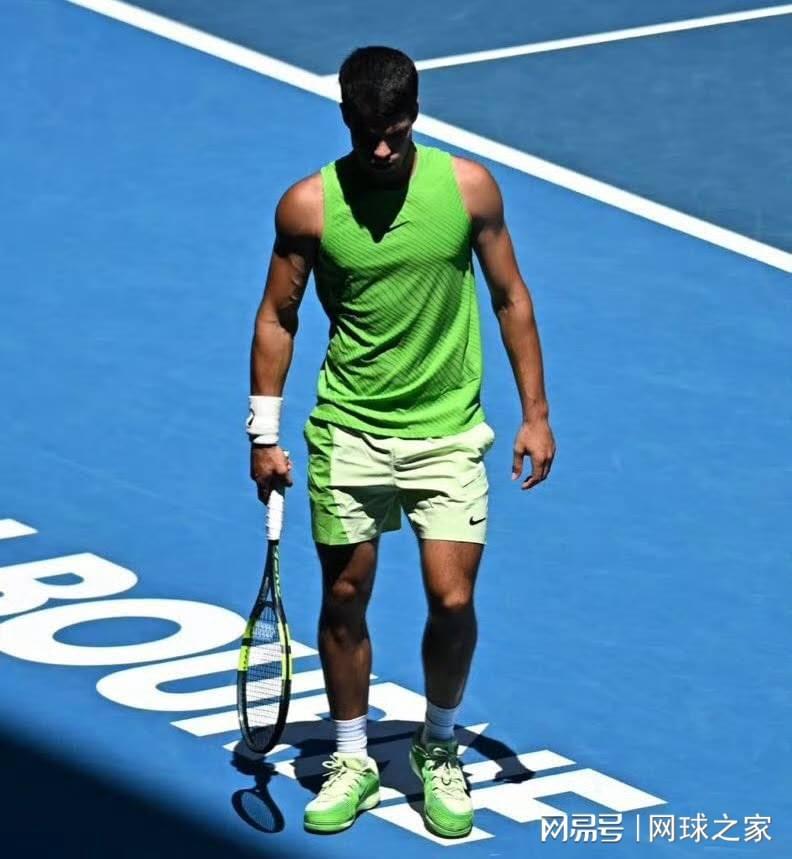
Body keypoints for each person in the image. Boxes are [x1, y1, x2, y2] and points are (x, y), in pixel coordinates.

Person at [247, 46, 555, 839]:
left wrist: (535, 413)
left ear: (414, 115)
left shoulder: (468, 188)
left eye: (396, 131)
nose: (382, 148)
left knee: (452, 599)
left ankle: (438, 744)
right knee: (345, 596)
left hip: (447, 435)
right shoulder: (309, 206)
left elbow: (511, 297)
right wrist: (263, 433)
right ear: (345, 116)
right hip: (347, 433)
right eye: (367, 132)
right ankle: (352, 756)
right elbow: (278, 316)